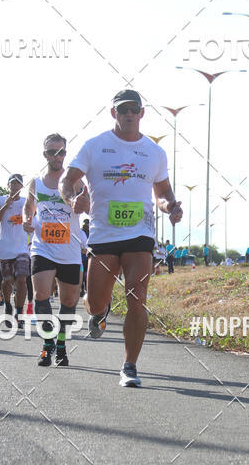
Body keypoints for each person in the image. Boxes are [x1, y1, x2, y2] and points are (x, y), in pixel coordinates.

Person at [60, 89, 182, 387]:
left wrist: (171, 208)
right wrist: (74, 198)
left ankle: (129, 366)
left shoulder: (154, 152)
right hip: (103, 235)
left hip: (140, 233)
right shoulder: (96, 146)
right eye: (123, 109)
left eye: (134, 109)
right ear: (114, 113)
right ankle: (97, 310)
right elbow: (68, 180)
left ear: (142, 113)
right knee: (98, 301)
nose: (128, 114)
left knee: (136, 299)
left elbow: (163, 194)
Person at [24, 134, 86, 367]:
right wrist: (26, 220)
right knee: (41, 295)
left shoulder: (76, 181)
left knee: (69, 302)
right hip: (43, 248)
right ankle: (47, 342)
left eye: (61, 152)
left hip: (69, 250)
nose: (57, 156)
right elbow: (28, 208)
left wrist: (82, 202)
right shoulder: (36, 183)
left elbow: (88, 206)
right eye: (52, 152)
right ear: (45, 155)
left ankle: (60, 344)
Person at [0, 175, 30, 327]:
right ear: (8, 185)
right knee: (7, 281)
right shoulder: (0, 200)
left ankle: (19, 313)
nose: (15, 186)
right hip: (5, 248)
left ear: (22, 186)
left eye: (18, 183)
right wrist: (5, 207)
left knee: (21, 280)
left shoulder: (26, 201)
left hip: (22, 249)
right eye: (12, 183)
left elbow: (32, 219)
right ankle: (7, 305)